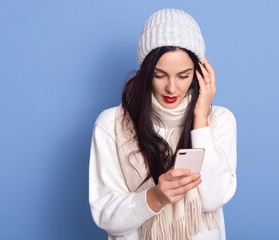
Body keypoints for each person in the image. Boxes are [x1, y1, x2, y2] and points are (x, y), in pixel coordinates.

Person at [89, 8, 237, 240]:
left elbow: (213, 199)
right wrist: (155, 197)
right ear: (145, 72)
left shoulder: (220, 121)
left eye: (183, 75)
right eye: (160, 75)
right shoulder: (111, 125)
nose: (171, 88)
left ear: (199, 73)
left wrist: (200, 122)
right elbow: (106, 216)